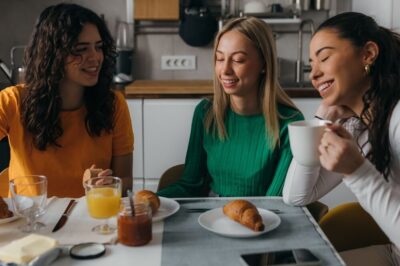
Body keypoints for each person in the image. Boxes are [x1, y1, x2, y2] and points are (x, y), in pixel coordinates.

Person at [283, 12, 400, 265]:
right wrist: (320, 120)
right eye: (311, 63)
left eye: (324, 57)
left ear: (368, 53)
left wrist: (357, 171)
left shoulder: (397, 118)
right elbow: (297, 197)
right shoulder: (358, 128)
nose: (313, 74)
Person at [158, 17, 303, 198]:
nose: (225, 70)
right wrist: (147, 200)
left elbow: (275, 203)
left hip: (262, 221)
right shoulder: (205, 113)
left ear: (264, 64)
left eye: (238, 60)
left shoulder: (291, 124)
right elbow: (191, 185)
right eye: (219, 58)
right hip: (212, 219)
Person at [0, 4, 134, 197]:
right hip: (28, 222)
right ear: (53, 55)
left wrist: (107, 184)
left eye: (98, 47)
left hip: (89, 222)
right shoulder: (12, 101)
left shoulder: (114, 105)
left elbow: (126, 182)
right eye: (81, 49)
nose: (95, 57)